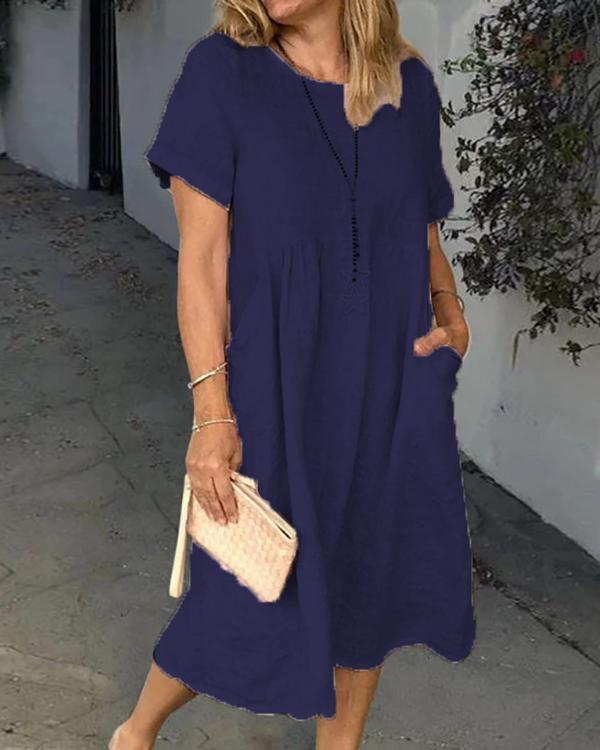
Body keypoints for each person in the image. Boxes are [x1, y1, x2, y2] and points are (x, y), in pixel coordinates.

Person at [109, 0, 476, 748]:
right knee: (244, 587)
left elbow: (422, 227)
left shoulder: (407, 85)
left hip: (392, 384)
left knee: (368, 581)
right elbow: (203, 263)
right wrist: (213, 413)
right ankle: (136, 732)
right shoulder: (222, 74)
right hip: (277, 382)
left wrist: (450, 308)